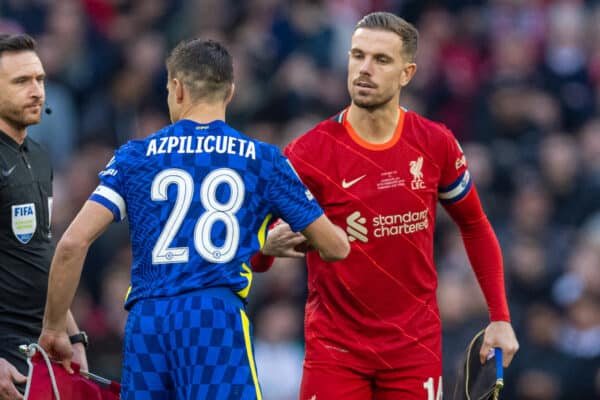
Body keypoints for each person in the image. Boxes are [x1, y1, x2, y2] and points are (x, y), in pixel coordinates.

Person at [38, 38, 349, 400]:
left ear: (177, 87)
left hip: (148, 323)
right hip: (215, 319)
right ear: (230, 92)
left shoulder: (135, 156)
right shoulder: (262, 160)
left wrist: (55, 326)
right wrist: (264, 243)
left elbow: (72, 244)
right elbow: (335, 246)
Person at [250, 12, 519, 400]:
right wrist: (264, 247)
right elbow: (257, 251)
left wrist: (500, 318)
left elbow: (474, 225)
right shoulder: (308, 153)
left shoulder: (435, 143)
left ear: (407, 73)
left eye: (380, 60)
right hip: (335, 350)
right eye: (357, 55)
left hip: (414, 348)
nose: (364, 68)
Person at [0, 33, 87, 400]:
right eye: (21, 81)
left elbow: (40, 253)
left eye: (39, 79)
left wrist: (74, 335)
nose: (37, 91)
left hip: (38, 348)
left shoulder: (38, 156)